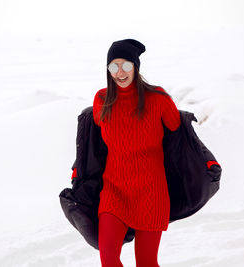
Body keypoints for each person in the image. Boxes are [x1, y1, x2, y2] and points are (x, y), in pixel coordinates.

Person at [83, 38, 181, 267]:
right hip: (114, 190)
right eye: (113, 66)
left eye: (126, 65)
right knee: (108, 258)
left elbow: (177, 128)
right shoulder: (101, 100)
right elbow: (95, 138)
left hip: (151, 191)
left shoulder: (158, 98)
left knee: (146, 262)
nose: (120, 72)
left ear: (136, 67)